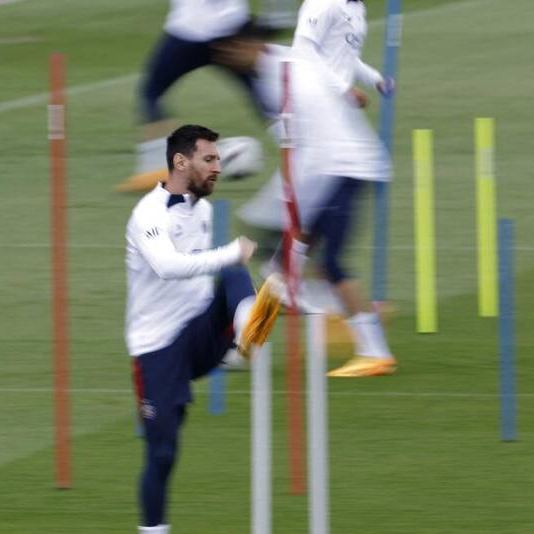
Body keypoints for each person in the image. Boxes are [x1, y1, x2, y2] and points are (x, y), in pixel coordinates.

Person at [125, 124, 283, 533]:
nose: (218, 168)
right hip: (156, 346)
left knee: (233, 272)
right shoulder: (149, 214)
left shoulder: (205, 211)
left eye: (218, 159)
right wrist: (229, 252)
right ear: (181, 162)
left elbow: (205, 272)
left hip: (198, 331)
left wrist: (229, 262)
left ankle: (248, 331)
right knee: (163, 453)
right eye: (209, 160)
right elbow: (167, 267)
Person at [215, 34, 397, 378]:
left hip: (345, 169)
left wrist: (278, 206)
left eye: (230, 50)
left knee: (327, 264)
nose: (228, 58)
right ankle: (249, 346)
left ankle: (373, 351)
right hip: (334, 169)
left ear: (251, 44)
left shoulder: (283, 76)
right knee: (280, 269)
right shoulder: (284, 68)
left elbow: (308, 147)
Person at [115, 1, 277, 193]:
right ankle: (297, 150)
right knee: (260, 94)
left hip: (189, 32)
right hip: (232, 31)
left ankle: (155, 168)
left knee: (152, 94)